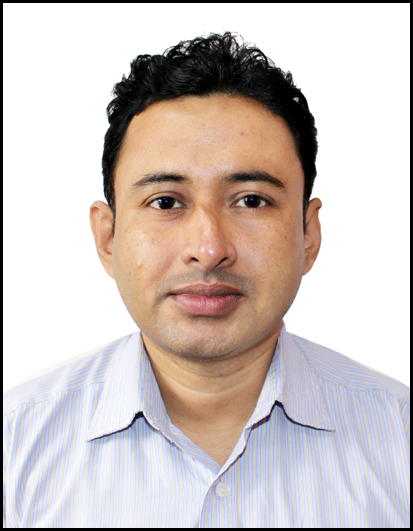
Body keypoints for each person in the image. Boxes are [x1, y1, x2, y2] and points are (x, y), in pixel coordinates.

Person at [3, 32, 409, 528]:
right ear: (108, 237)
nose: (210, 248)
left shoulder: (400, 438)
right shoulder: (15, 444)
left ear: (308, 234)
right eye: (166, 202)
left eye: (251, 200)